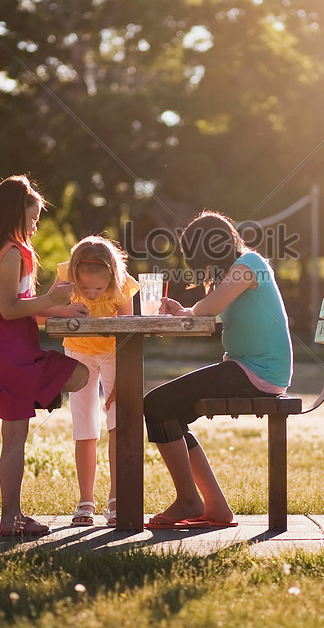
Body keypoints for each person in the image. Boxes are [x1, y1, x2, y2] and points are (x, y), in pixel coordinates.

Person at [0, 175, 91, 537]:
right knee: (79, 376)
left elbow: (24, 308)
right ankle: (10, 518)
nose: (35, 226)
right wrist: (51, 300)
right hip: (10, 354)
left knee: (16, 435)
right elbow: (9, 308)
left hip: (1, 352)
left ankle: (11, 516)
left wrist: (62, 311)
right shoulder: (12, 252)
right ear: (14, 216)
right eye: (32, 219)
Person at [145, 211, 293, 529]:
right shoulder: (238, 272)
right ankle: (215, 508)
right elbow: (210, 313)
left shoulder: (249, 265)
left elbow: (209, 310)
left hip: (257, 374)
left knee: (155, 405)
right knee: (165, 410)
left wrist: (191, 311)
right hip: (247, 370)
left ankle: (189, 499)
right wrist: (184, 311)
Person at [57, 235, 137, 527]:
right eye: (85, 288)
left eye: (98, 289)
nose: (91, 294)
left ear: (112, 279)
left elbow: (128, 333)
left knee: (117, 422)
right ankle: (85, 500)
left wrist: (118, 386)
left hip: (115, 355)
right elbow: (48, 308)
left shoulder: (123, 283)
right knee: (84, 426)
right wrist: (63, 308)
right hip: (78, 352)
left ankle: (116, 498)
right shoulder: (67, 274)